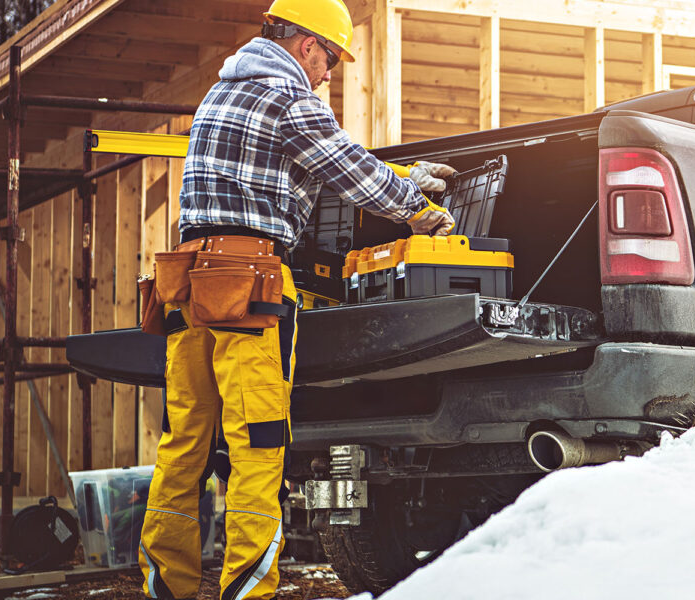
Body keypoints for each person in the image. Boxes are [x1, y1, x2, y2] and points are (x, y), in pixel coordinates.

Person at [136, 1, 454, 598]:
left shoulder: (220, 94)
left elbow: (308, 170)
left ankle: (167, 589)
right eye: (330, 58)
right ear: (307, 44)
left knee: (183, 447)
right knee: (257, 443)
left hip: (187, 286)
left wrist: (404, 176)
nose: (329, 74)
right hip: (249, 289)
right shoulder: (288, 96)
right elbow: (350, 173)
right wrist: (419, 209)